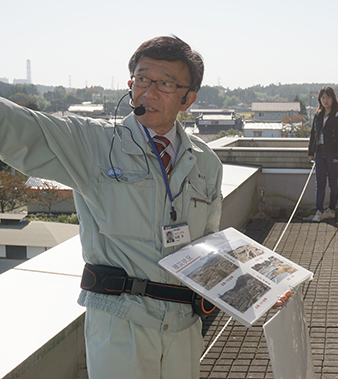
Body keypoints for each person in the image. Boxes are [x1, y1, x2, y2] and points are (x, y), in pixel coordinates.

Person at [0, 36, 223, 378]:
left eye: (164, 83)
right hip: (122, 324)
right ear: (130, 83)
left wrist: (257, 290)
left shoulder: (206, 162)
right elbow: (19, 128)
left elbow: (210, 248)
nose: (148, 91)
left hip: (184, 326)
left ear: (187, 99)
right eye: (142, 79)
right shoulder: (93, 144)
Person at [308, 87, 338, 222]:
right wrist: (311, 152)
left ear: (333, 99)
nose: (325, 100)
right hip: (319, 151)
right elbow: (313, 133)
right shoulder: (318, 114)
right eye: (323, 98)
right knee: (320, 183)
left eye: (328, 97)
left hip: (333, 153)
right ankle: (318, 210)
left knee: (333, 183)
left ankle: (331, 209)